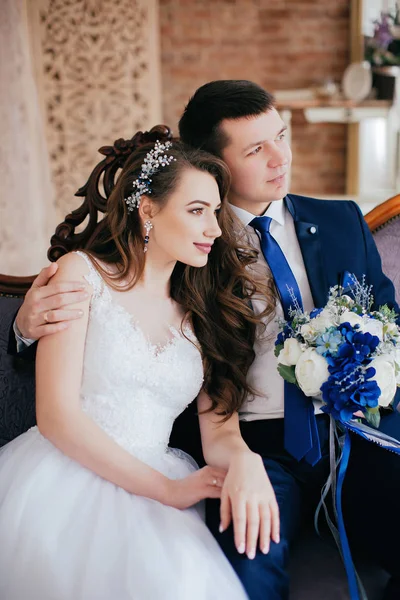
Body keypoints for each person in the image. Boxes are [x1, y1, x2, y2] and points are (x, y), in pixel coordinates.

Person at [11, 80, 400, 600]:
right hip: (256, 443)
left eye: (281, 137)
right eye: (255, 149)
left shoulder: (340, 222)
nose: (279, 158)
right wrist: (22, 326)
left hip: (355, 432)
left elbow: (389, 326)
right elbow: (110, 289)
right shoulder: (193, 256)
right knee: (247, 558)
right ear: (215, 162)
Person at [0, 137, 281, 600]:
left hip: (165, 482)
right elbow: (56, 415)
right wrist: (165, 491)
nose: (213, 228)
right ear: (147, 209)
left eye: (215, 211)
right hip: (64, 475)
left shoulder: (206, 316)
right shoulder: (81, 275)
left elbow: (220, 435)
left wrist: (246, 464)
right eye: (196, 210)